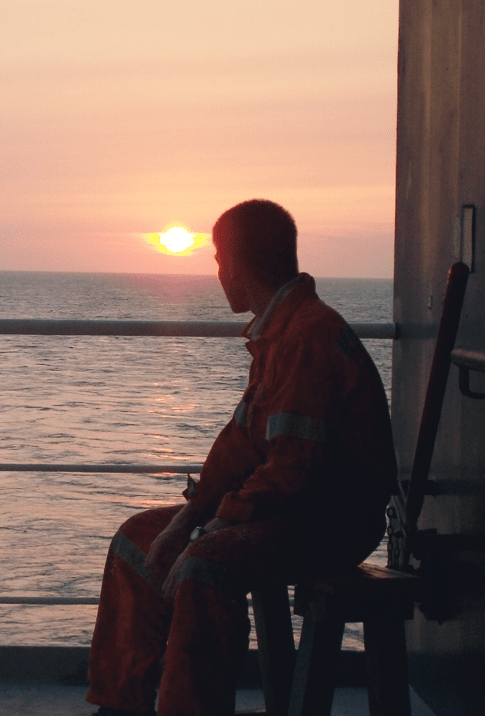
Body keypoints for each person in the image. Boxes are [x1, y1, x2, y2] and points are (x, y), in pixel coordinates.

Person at [85, 199, 397, 716]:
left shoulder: (309, 338)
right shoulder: (278, 333)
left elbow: (292, 471)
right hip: (287, 514)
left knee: (205, 565)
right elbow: (238, 449)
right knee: (135, 542)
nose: (217, 272)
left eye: (217, 259)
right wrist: (185, 519)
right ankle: (121, 706)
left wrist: (206, 534)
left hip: (330, 523)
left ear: (239, 261)